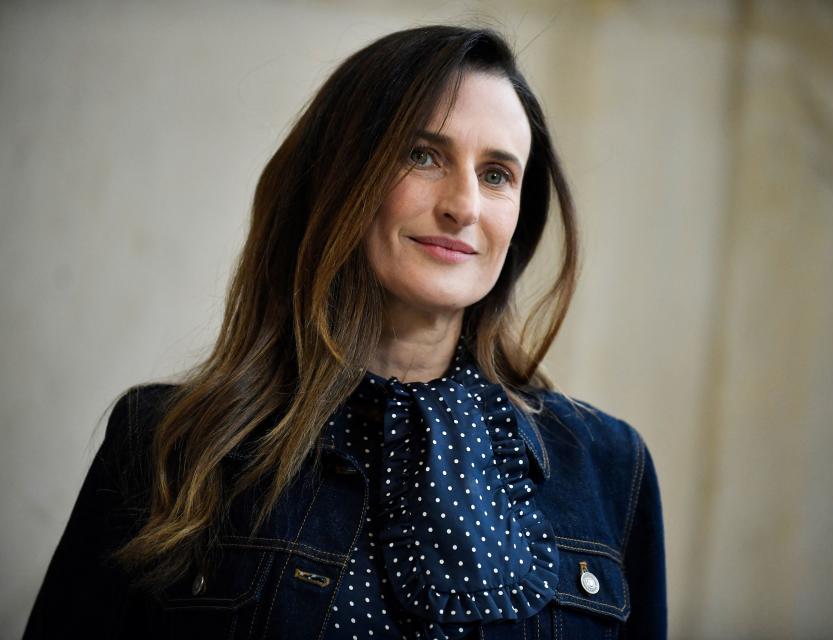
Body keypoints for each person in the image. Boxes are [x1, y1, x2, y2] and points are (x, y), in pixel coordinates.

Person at [24, 25, 665, 640]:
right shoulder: (167, 443)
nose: (464, 205)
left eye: (497, 174)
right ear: (338, 179)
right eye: (422, 155)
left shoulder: (610, 468)